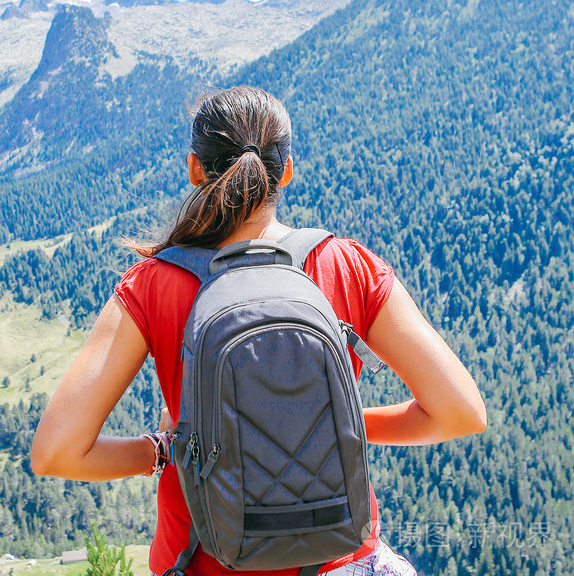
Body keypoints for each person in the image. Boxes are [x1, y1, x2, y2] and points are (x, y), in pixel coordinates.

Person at [31, 86, 487, 576]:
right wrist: (342, 426)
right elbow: (461, 413)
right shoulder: (345, 265)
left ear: (194, 169)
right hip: (341, 562)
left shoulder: (154, 284)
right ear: (287, 170)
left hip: (205, 563)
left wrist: (163, 451)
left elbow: (58, 451)